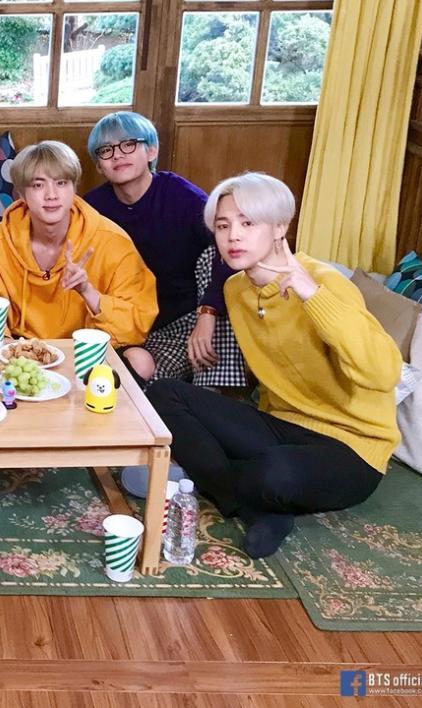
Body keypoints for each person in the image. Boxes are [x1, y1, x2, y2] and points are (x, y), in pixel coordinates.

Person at [146, 173, 402, 558]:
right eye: (223, 226)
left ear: (280, 227)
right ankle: (257, 506)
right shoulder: (235, 289)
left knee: (273, 471)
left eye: (248, 223)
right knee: (164, 395)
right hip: (282, 425)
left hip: (353, 447)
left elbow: (384, 374)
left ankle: (245, 492)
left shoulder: (324, 282)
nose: (233, 236)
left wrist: (312, 296)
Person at [0, 140, 158, 379]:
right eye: (38, 185)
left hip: (85, 351)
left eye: (61, 183)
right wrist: (14, 354)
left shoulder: (112, 240)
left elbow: (136, 324)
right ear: (22, 194)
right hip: (16, 351)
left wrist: (88, 292)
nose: (51, 195)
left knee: (140, 360)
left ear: (74, 188)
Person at [83, 112, 247, 389]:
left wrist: (207, 314)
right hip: (126, 323)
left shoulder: (183, 197)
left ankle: (212, 389)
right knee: (131, 381)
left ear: (151, 150)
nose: (117, 155)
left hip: (184, 320)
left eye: (128, 144)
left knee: (216, 256)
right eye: (106, 150)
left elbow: (228, 252)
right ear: (99, 165)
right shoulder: (92, 208)